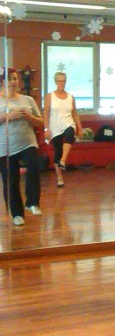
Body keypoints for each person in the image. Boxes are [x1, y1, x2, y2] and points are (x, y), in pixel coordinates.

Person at [0, 68, 43, 226]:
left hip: (27, 142)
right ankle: (17, 214)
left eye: (15, 79)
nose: (13, 82)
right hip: (5, 147)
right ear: (2, 81)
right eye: (10, 79)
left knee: (33, 166)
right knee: (11, 180)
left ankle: (32, 202)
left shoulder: (28, 100)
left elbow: (40, 122)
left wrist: (29, 116)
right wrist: (8, 116)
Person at [43, 72, 84, 188]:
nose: (61, 83)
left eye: (63, 81)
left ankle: (63, 160)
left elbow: (75, 113)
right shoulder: (50, 96)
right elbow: (46, 114)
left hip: (68, 122)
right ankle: (59, 178)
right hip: (55, 126)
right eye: (59, 81)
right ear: (55, 82)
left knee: (70, 133)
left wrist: (80, 128)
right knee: (57, 151)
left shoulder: (71, 97)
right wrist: (46, 129)